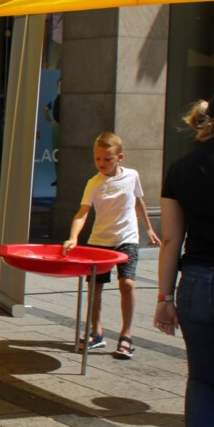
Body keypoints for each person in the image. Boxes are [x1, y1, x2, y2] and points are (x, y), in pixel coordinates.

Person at [154, 80, 214, 427]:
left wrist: (164, 298)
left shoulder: (182, 166)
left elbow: (171, 239)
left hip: (196, 283)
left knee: (203, 377)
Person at [64, 131, 161, 357]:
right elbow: (82, 213)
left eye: (107, 159)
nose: (101, 163)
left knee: (127, 283)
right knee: (95, 288)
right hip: (99, 241)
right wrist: (73, 237)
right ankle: (96, 332)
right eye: (97, 158)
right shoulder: (93, 183)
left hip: (127, 239)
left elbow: (138, 202)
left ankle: (127, 335)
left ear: (120, 157)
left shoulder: (132, 176)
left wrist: (149, 229)